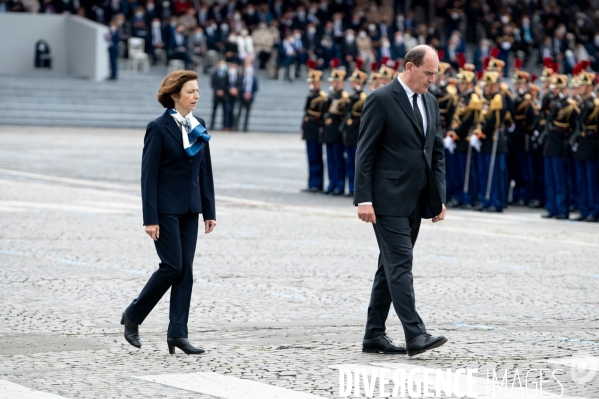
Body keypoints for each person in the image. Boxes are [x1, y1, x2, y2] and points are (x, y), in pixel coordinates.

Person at [354, 45, 447, 357]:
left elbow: (436, 154)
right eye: (428, 73)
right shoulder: (381, 99)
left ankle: (374, 335)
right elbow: (364, 153)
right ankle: (415, 334)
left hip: (417, 200)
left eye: (436, 73)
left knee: (389, 268)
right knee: (400, 264)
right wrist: (363, 199)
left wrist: (439, 198)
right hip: (386, 200)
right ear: (410, 67)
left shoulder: (431, 103)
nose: (433, 79)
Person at [121, 70, 216, 355]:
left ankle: (178, 333)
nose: (197, 96)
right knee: (172, 266)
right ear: (175, 96)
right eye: (191, 92)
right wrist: (149, 218)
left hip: (190, 208)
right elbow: (147, 176)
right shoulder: (158, 128)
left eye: (198, 91)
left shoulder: (198, 124)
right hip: (164, 209)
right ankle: (134, 314)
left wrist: (208, 210)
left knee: (185, 271)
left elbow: (204, 171)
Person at [540, 74, 578, 219]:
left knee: (560, 179)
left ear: (563, 89)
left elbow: (575, 126)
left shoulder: (569, 105)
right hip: (550, 145)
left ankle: (562, 209)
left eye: (556, 88)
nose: (553, 91)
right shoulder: (553, 103)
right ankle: (552, 208)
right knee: (550, 179)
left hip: (561, 145)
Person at [570, 70, 599, 222]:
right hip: (581, 143)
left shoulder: (595, 104)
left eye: (584, 85)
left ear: (591, 87)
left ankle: (594, 210)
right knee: (581, 180)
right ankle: (584, 209)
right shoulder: (580, 104)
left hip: (592, 143)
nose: (580, 88)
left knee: (592, 180)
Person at [323, 63, 349, 195]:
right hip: (330, 132)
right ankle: (332, 184)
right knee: (331, 160)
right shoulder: (331, 96)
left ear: (340, 83)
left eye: (334, 82)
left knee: (339, 161)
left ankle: (339, 185)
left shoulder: (344, 97)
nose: (332, 84)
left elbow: (345, 116)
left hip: (338, 132)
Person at [342, 63, 367, 197]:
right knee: (350, 163)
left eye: (354, 81)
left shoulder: (363, 98)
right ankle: (350, 187)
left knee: (358, 164)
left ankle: (356, 189)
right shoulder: (352, 97)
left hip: (357, 135)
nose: (351, 83)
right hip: (350, 135)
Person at [302, 61, 327, 192]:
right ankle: (312, 182)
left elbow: (322, 116)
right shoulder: (311, 96)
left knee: (316, 157)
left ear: (319, 83)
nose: (310, 84)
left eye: (313, 82)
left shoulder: (322, 98)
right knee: (311, 157)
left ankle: (317, 183)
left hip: (317, 130)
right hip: (309, 130)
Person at [237, 61, 258, 132]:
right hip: (241, 97)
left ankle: (245, 127)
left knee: (247, 113)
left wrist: (250, 93)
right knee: (239, 112)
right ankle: (236, 126)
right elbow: (239, 86)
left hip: (250, 97)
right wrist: (243, 93)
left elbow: (255, 88)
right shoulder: (241, 77)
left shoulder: (254, 78)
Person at [210, 60, 229, 130]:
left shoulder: (227, 74)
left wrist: (223, 90)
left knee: (225, 111)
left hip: (224, 95)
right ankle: (212, 125)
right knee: (214, 111)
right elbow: (212, 84)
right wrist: (217, 91)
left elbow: (228, 84)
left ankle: (225, 126)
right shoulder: (215, 74)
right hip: (216, 95)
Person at [224, 60, 240, 130]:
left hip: (236, 96)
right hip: (227, 95)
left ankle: (234, 126)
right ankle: (227, 126)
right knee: (227, 110)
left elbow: (241, 84)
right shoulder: (226, 75)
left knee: (235, 111)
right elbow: (223, 84)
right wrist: (229, 89)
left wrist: (237, 90)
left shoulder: (239, 75)